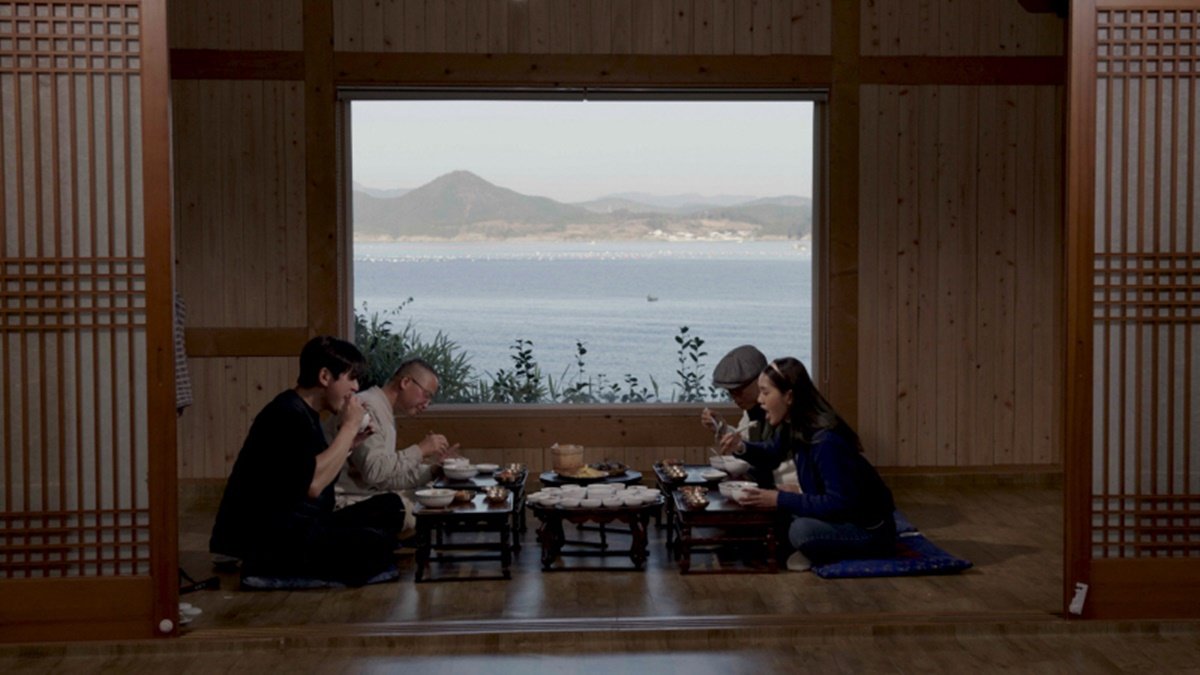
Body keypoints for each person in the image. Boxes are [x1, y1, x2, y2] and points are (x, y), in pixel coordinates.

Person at [209, 336, 405, 587]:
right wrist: (348, 428)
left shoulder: (305, 412)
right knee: (374, 545)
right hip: (270, 537)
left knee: (391, 507)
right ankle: (265, 571)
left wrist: (351, 443)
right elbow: (313, 485)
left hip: (303, 524)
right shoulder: (285, 414)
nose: (356, 387)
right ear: (325, 376)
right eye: (351, 378)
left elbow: (313, 470)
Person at [719, 357, 896, 572]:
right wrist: (740, 446)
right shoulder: (794, 423)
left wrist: (780, 499)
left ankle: (815, 551)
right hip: (837, 516)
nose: (760, 400)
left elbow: (839, 504)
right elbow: (772, 454)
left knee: (801, 531)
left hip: (868, 529)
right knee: (773, 514)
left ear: (789, 396)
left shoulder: (827, 440)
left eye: (765, 392)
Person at [328, 357, 459, 531]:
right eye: (426, 395)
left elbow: (386, 477)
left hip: (370, 495)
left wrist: (433, 471)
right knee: (428, 509)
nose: (427, 404)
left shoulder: (385, 411)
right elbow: (374, 472)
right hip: (347, 503)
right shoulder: (368, 407)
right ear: (405, 382)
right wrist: (420, 450)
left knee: (436, 498)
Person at [701, 345, 778, 486]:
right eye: (730, 393)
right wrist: (721, 427)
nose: (735, 398)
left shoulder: (780, 412)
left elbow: (770, 454)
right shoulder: (751, 410)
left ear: (760, 379)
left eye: (738, 391)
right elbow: (744, 442)